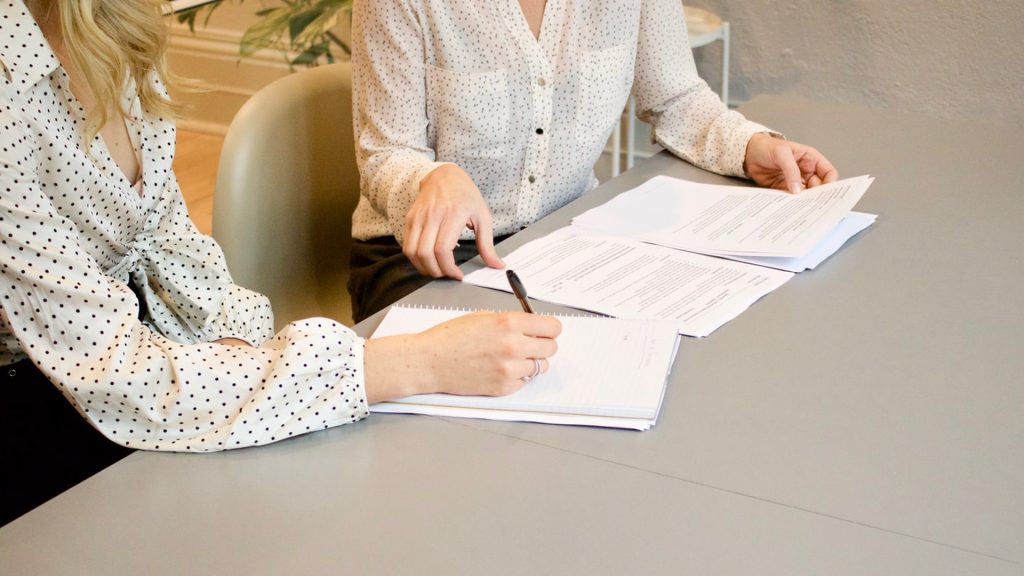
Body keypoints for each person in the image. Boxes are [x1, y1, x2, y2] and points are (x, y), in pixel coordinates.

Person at [0, 0, 561, 526]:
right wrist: (416, 364)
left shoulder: (114, 26)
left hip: (136, 360)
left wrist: (238, 347)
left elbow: (168, 243)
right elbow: (118, 375)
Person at [348, 0, 840, 322]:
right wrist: (432, 178)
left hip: (563, 242)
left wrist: (751, 146)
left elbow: (675, 97)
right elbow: (386, 153)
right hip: (424, 259)